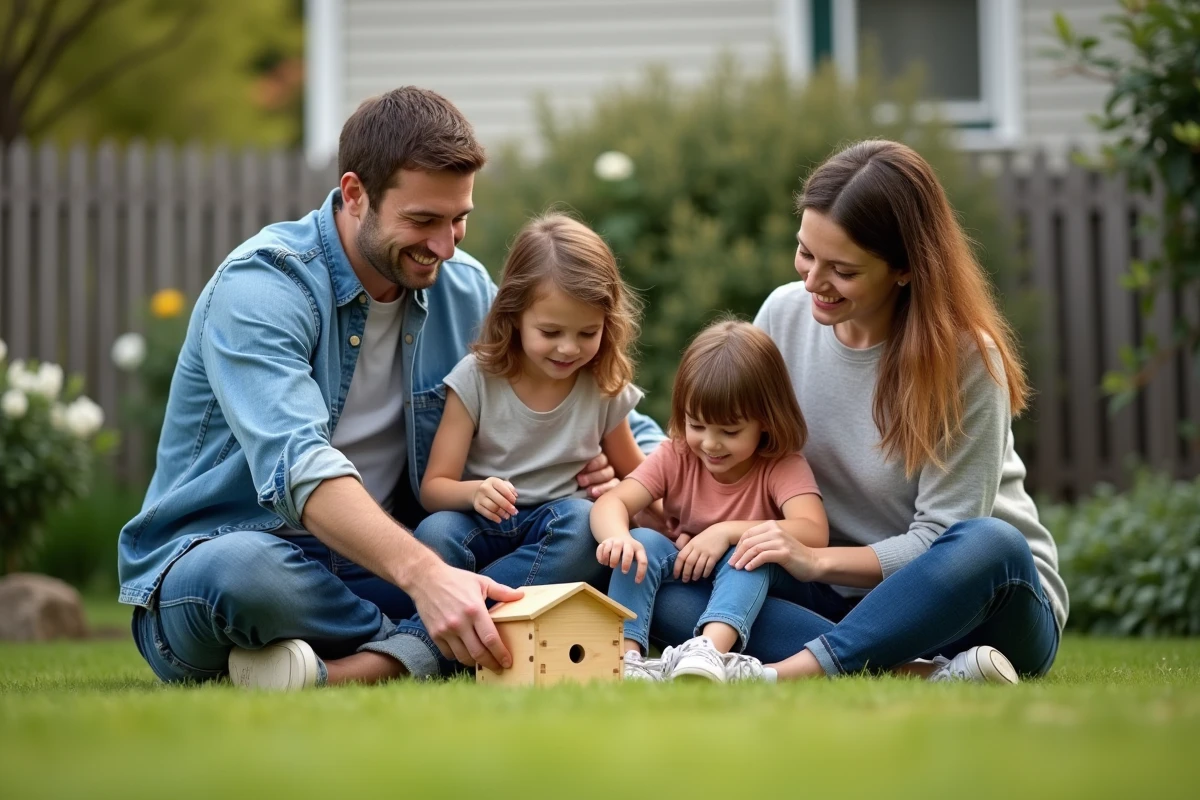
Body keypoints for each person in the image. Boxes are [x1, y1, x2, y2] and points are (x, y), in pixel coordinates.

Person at [117, 87, 664, 690]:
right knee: (240, 572)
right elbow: (300, 467)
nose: (445, 245)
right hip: (245, 560)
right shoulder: (263, 289)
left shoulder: (464, 289)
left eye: (460, 219)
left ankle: (373, 658)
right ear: (356, 194)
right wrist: (427, 580)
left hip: (386, 564)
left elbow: (599, 396)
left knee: (584, 531)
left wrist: (640, 476)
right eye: (423, 221)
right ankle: (443, 640)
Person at [647, 140, 1068, 684]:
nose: (812, 282)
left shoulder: (965, 359)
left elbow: (939, 536)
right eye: (805, 253)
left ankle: (787, 672)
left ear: (904, 269)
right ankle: (910, 670)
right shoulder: (782, 315)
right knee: (667, 582)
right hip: (829, 602)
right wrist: (642, 488)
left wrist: (814, 558)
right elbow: (724, 448)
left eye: (842, 270)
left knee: (990, 541)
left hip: (969, 606)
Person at [414, 214, 646, 671]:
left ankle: (458, 630)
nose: (568, 349)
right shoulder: (477, 378)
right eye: (551, 332)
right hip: (480, 526)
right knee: (435, 534)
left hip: (555, 530)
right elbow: (433, 487)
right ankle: (472, 630)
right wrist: (475, 491)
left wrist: (620, 496)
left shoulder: (601, 386)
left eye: (587, 333)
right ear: (514, 315)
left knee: (584, 526)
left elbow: (640, 477)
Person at [592, 320, 827, 683]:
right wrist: (618, 537)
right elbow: (612, 503)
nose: (710, 444)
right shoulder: (678, 454)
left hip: (762, 585)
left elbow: (813, 531)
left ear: (765, 420)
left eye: (730, 432)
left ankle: (708, 652)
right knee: (643, 543)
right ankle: (628, 659)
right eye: (697, 425)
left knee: (749, 551)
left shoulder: (781, 464)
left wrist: (727, 532)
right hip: (695, 579)